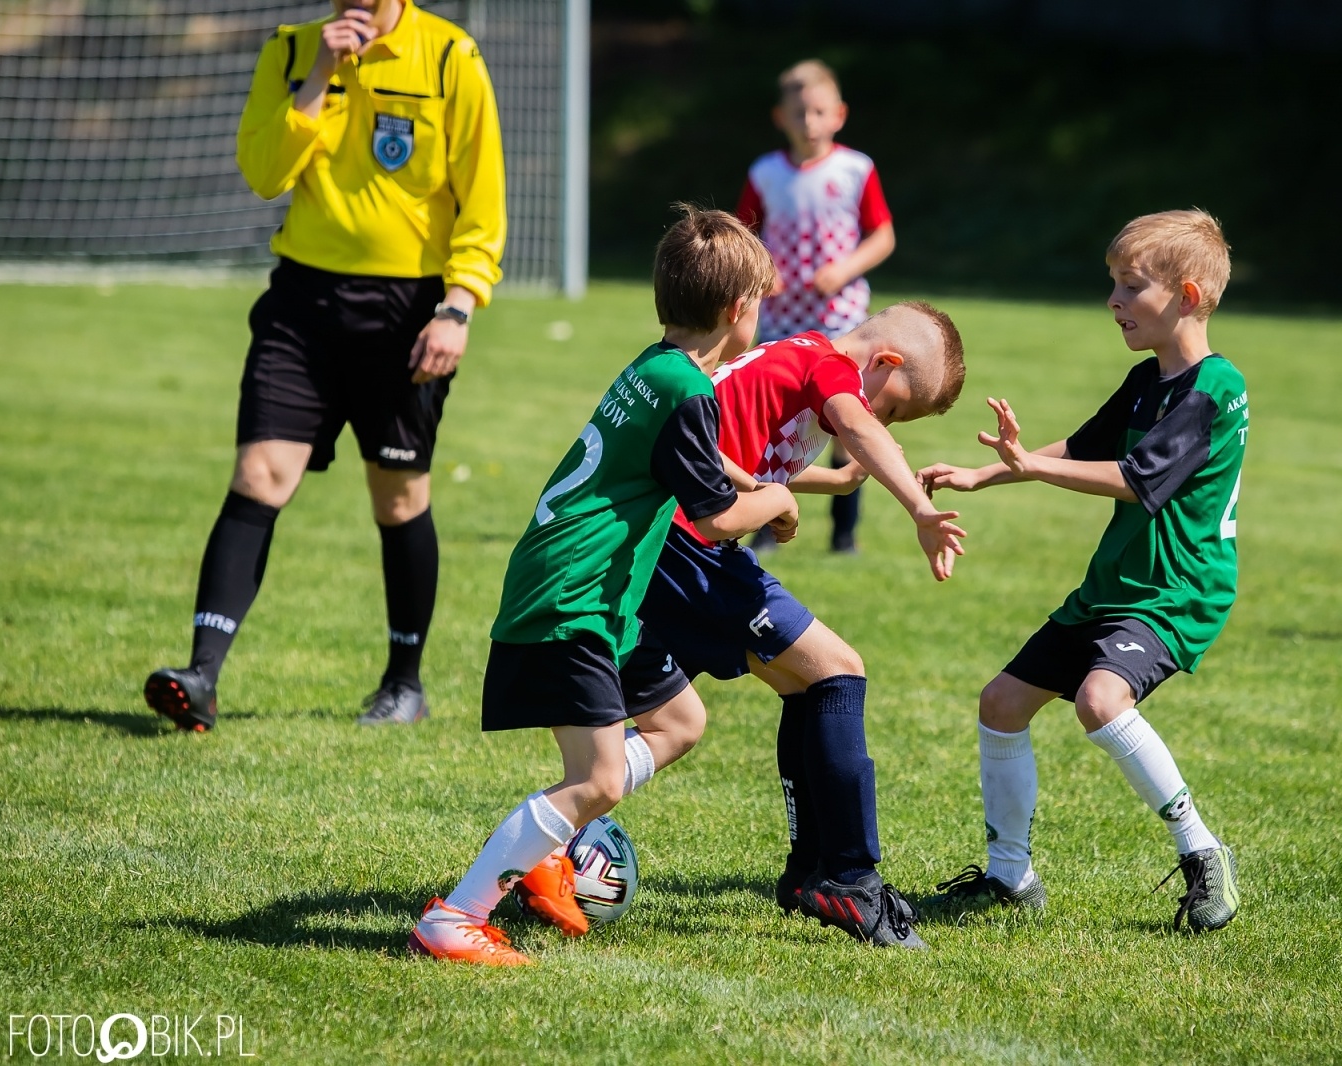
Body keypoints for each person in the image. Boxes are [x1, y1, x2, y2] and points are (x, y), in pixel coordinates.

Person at [408, 207, 800, 965]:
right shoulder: (688, 390)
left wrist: (740, 472)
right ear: (738, 310)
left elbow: (669, 457)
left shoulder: (659, 368)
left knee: (679, 722)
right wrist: (777, 499)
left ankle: (551, 847)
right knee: (600, 779)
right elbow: (717, 522)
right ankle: (457, 916)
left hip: (599, 597)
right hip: (574, 596)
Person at [142, 0, 506, 730]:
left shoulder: (450, 56)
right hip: (302, 301)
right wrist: (317, 78)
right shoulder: (290, 50)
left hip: (410, 312)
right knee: (258, 475)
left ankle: (404, 684)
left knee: (398, 497)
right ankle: (202, 676)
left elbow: (484, 203)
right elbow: (264, 173)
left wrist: (458, 305)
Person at [919, 209, 1246, 933]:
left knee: (1100, 700)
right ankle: (1010, 878)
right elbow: (1081, 446)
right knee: (1001, 703)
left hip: (1174, 591)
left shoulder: (1212, 389)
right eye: (1114, 286)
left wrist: (1030, 465)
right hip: (1117, 584)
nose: (1114, 301)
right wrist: (985, 474)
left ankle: (1202, 849)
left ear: (1187, 296)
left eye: (1131, 287)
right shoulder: (1146, 379)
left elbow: (1135, 478)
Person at [618, 302, 967, 950]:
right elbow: (854, 422)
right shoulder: (824, 363)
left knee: (795, 687)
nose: (880, 424)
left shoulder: (795, 354)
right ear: (884, 365)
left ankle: (810, 871)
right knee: (839, 672)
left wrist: (837, 481)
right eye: (892, 411)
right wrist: (919, 508)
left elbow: (746, 451)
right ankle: (850, 878)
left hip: (669, 544)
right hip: (689, 544)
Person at [735, 59, 896, 555]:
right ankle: (766, 526)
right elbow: (742, 235)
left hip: (842, 322)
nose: (809, 122)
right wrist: (766, 270)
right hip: (782, 323)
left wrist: (844, 270)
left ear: (839, 115)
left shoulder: (856, 169)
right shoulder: (764, 174)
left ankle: (843, 534)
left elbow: (883, 235)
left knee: (845, 423)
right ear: (780, 117)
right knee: (775, 424)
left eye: (819, 112)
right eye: (799, 113)